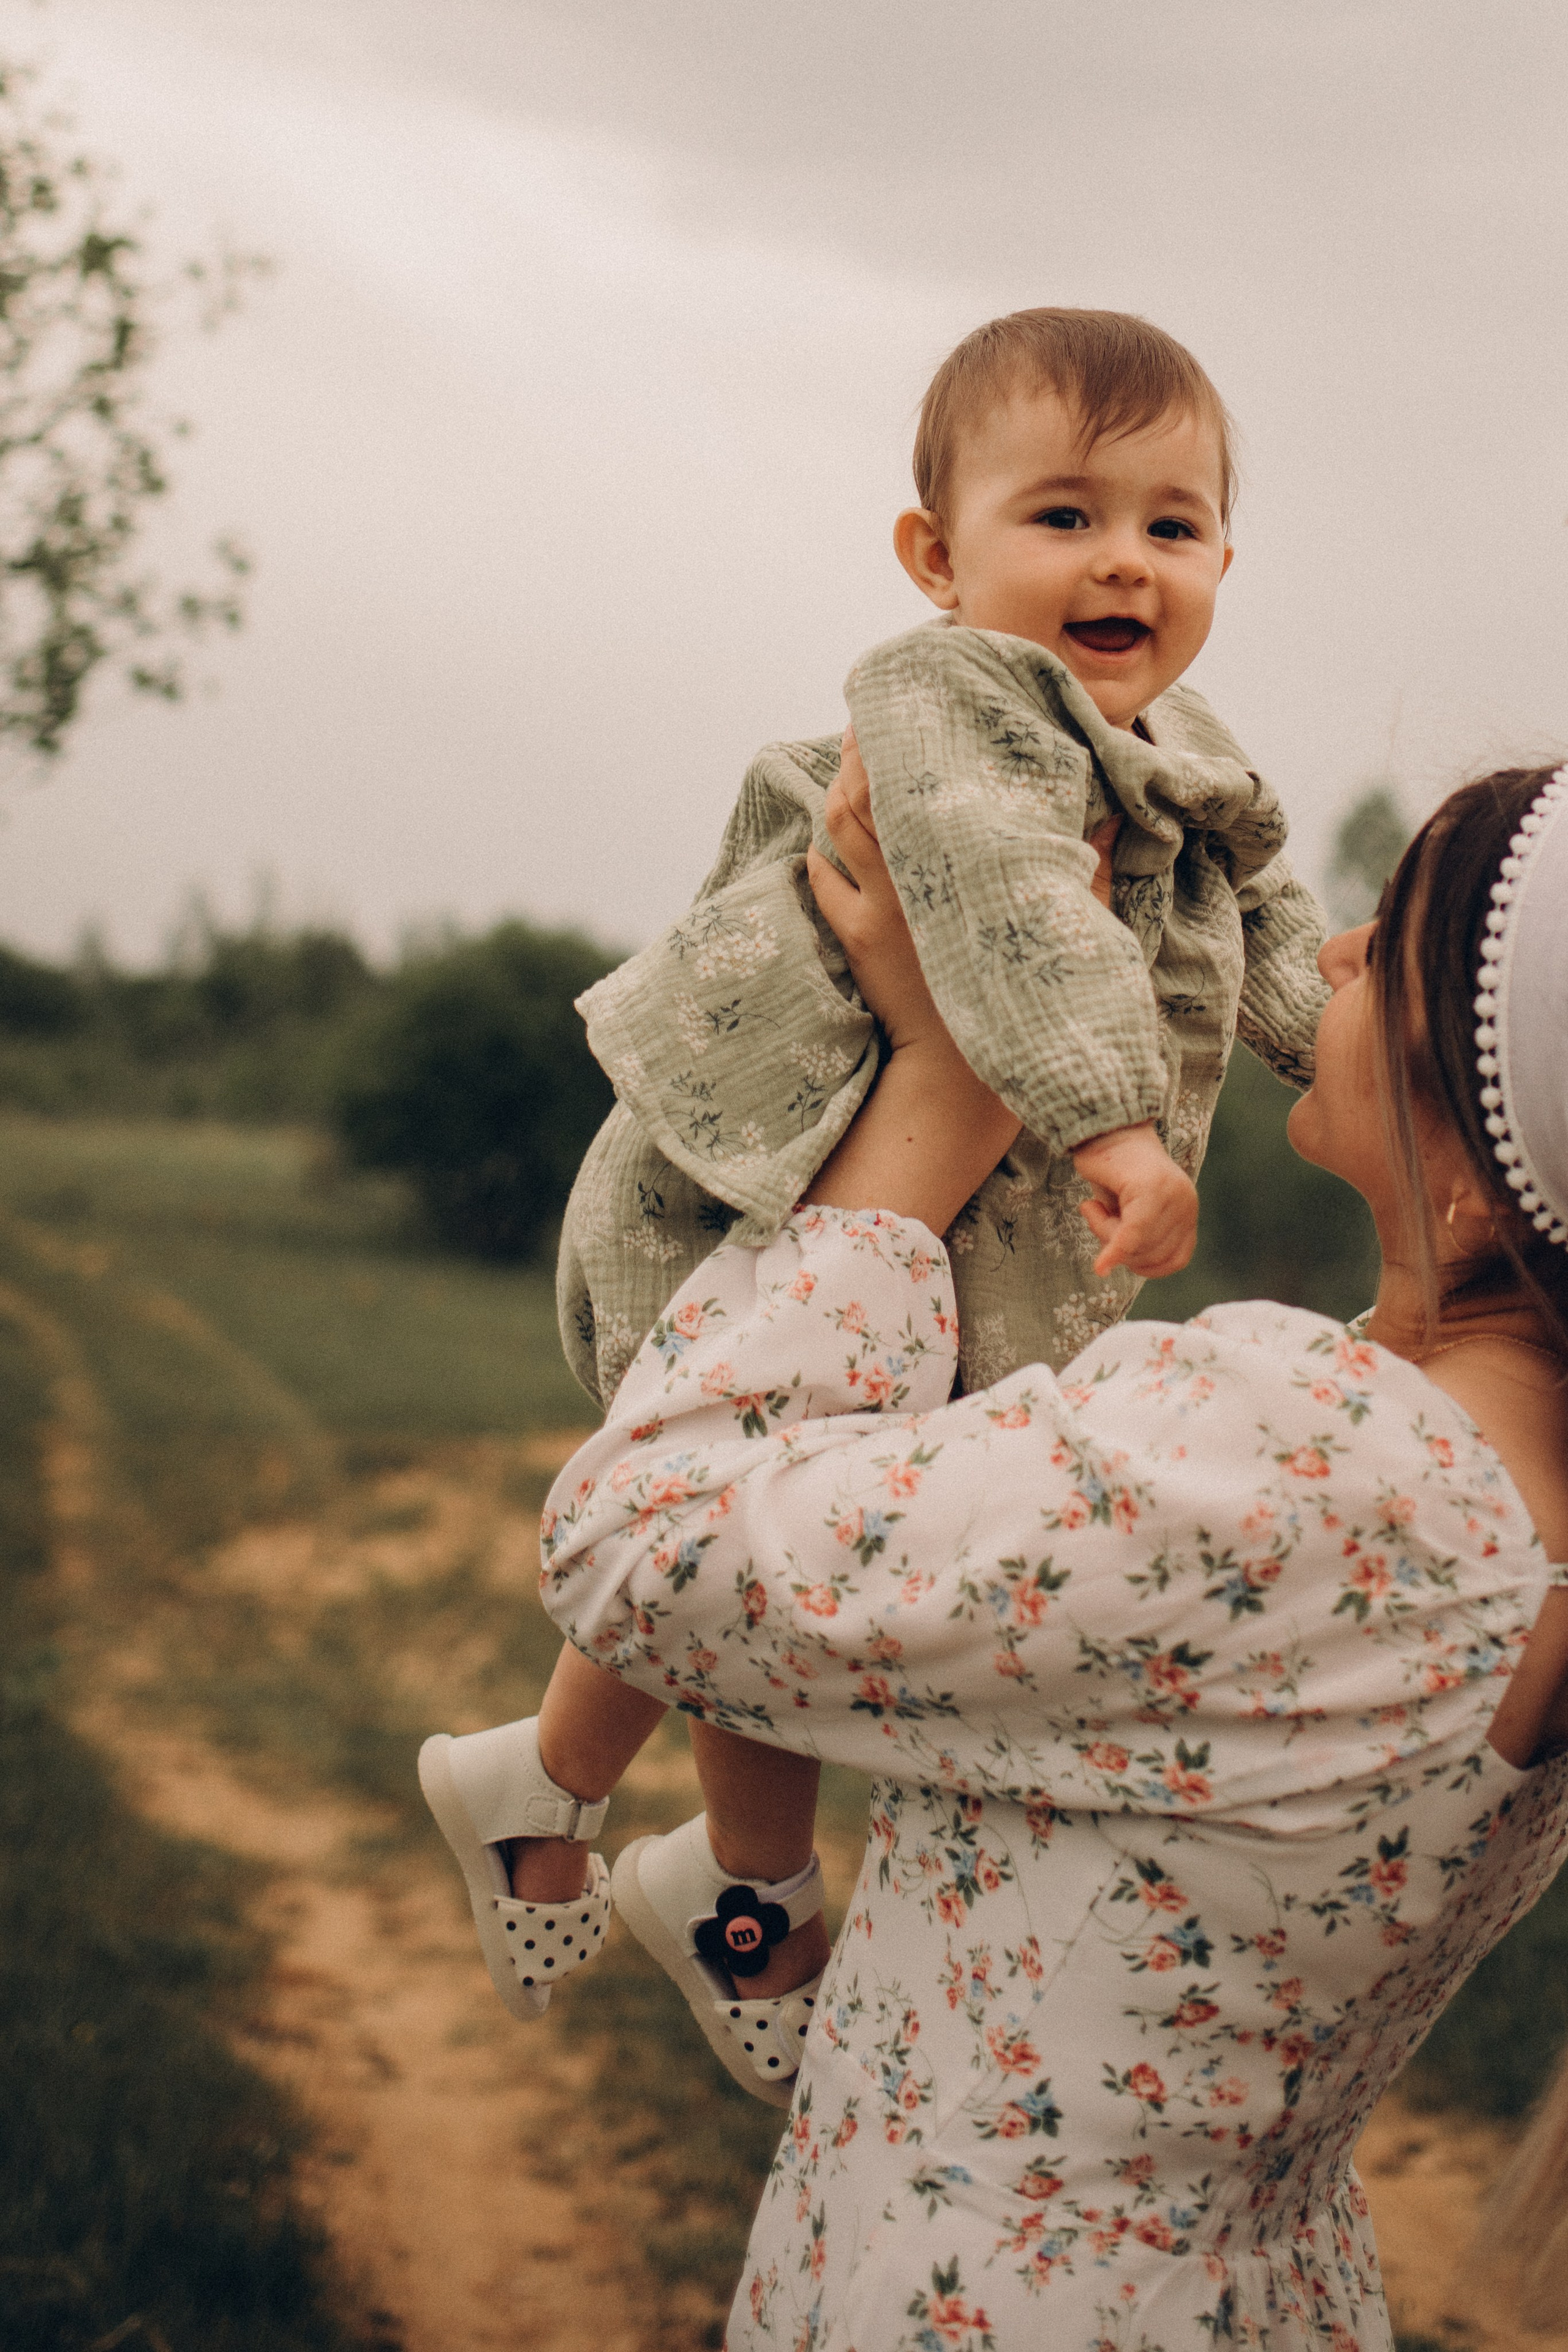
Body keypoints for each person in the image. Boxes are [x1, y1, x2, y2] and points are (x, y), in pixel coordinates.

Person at [529, 756, 1568, 2348]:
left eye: (1403, 935)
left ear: (1505, 1167)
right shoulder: (1497, 1499)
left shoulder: (1308, 1463)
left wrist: (950, 1076)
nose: (1343, 950)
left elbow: (639, 1542)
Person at [420, 311, 1330, 2087]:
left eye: (1173, 521)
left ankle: (583, 1801)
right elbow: (1007, 906)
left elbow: (1273, 926)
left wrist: (1381, 1056)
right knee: (763, 1540)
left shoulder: (1183, 743)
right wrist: (1116, 1125)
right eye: (1062, 516)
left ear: (1225, 554)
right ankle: (730, 1881)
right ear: (938, 557)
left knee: (777, 1546)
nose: (1124, 559)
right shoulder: (946, 702)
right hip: (764, 1207)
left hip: (923, 1248)